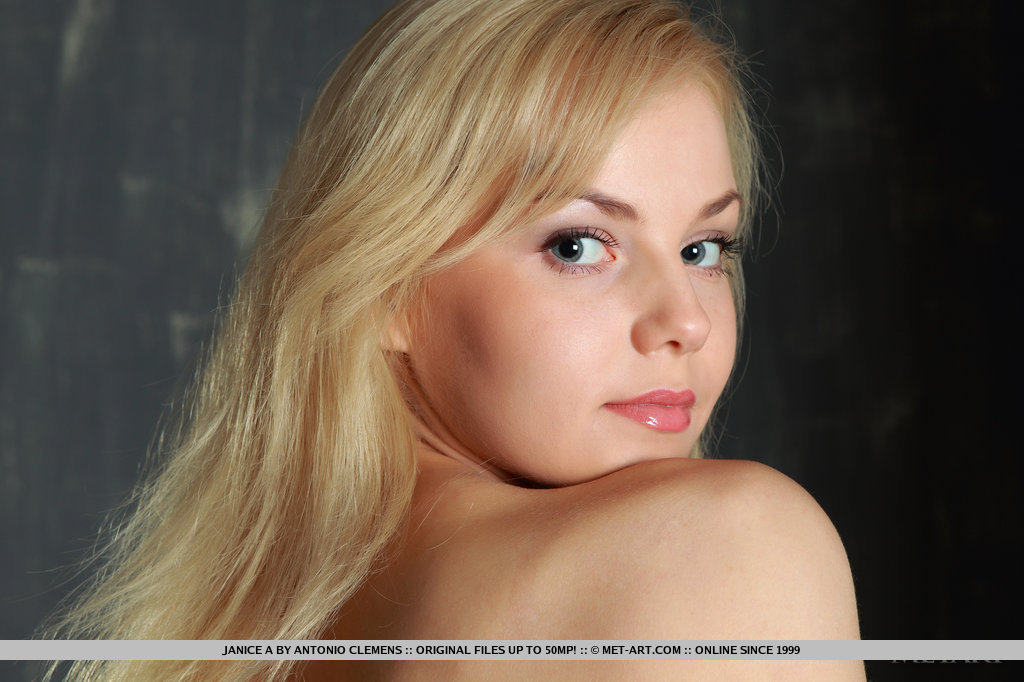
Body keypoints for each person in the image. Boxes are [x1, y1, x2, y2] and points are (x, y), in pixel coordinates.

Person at [47, 0, 862, 679]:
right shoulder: (727, 550)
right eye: (578, 245)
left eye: (704, 249)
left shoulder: (248, 637)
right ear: (386, 286)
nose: (685, 320)